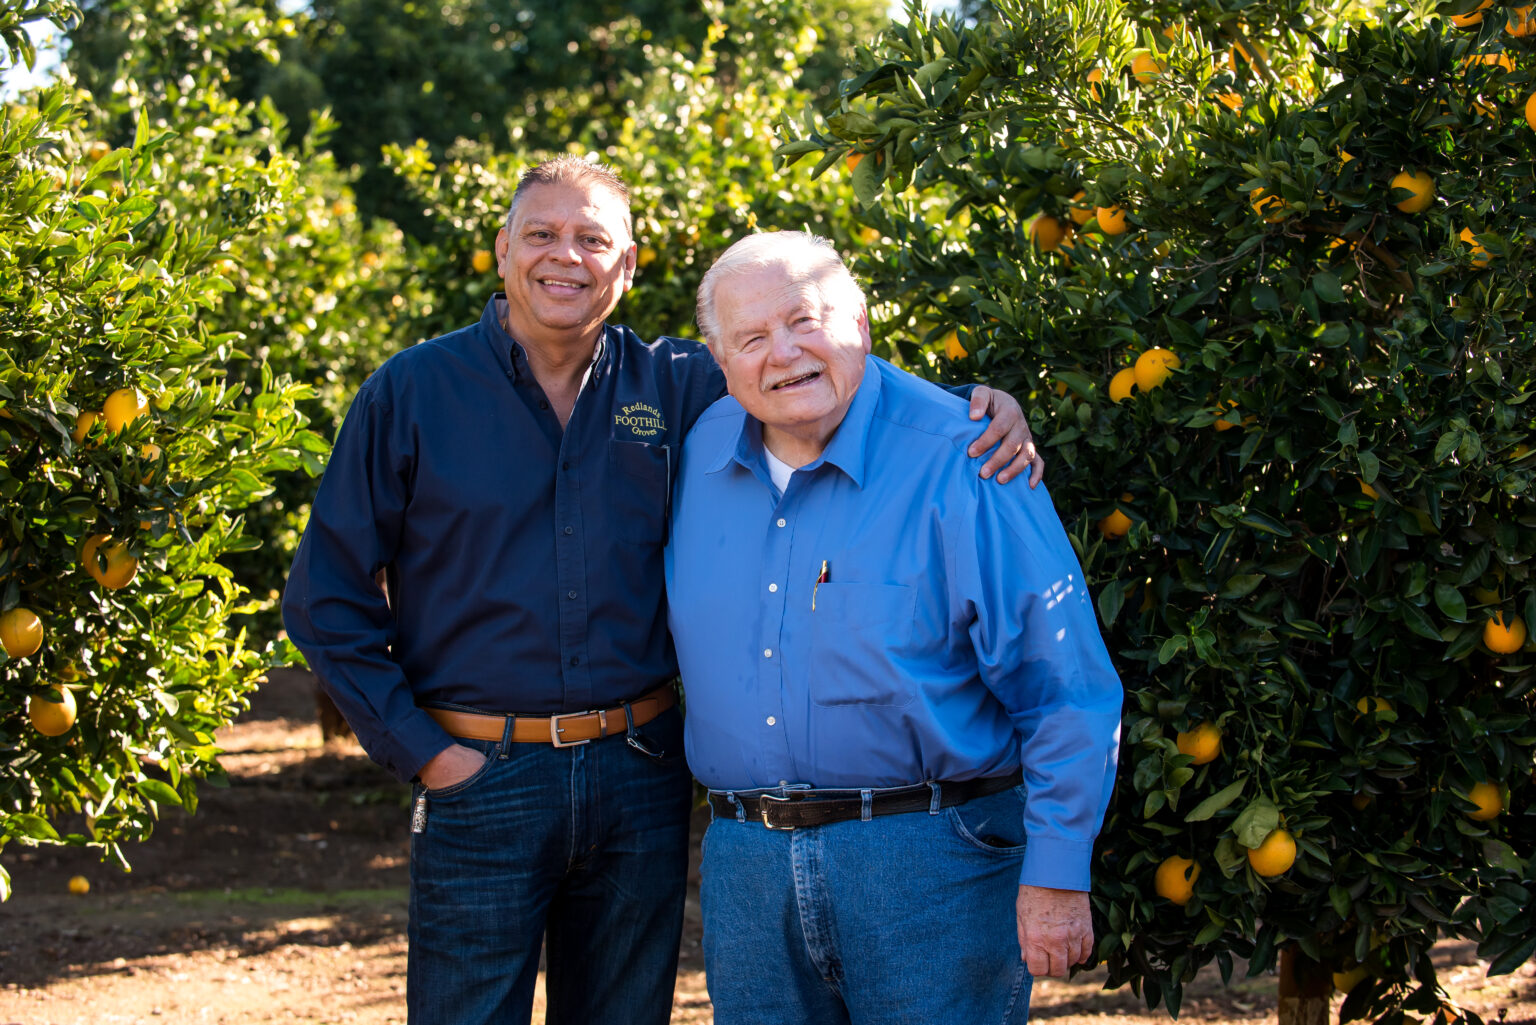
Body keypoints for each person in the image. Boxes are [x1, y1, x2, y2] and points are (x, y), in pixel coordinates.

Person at [281, 157, 1043, 1025]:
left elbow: (810, 370)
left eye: (592, 239)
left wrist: (970, 410)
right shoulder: (413, 392)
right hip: (479, 775)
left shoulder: (678, 383)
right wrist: (426, 754)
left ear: (628, 264)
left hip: (637, 774)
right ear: (501, 251)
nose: (565, 256)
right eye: (541, 234)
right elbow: (325, 594)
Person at [665, 230, 1123, 1025]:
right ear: (719, 359)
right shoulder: (695, 450)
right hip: (745, 867)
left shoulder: (969, 454)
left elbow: (1066, 689)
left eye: (806, 320)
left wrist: (1057, 875)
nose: (784, 353)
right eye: (751, 337)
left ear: (861, 323)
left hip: (930, 861)